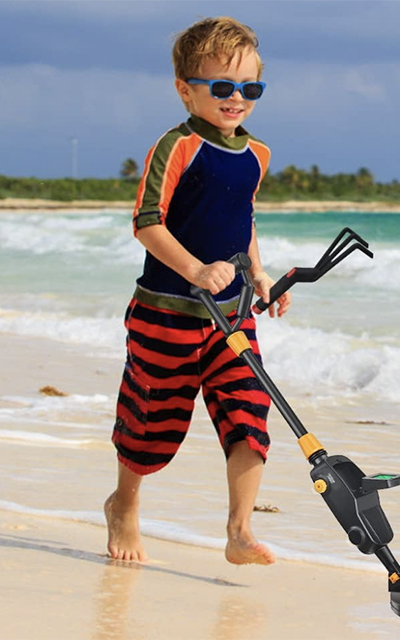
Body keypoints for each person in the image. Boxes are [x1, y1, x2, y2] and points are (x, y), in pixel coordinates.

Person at [105, 16, 291, 565]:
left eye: (250, 88)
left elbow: (243, 219)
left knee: (250, 412)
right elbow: (146, 221)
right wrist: (194, 269)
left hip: (233, 315)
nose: (237, 99)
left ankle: (239, 530)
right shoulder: (177, 145)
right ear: (186, 89)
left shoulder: (257, 154)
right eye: (223, 87)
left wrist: (259, 274)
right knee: (150, 423)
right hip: (166, 312)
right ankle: (125, 504)